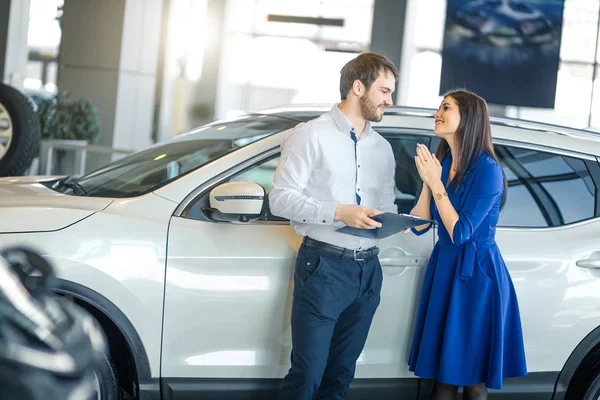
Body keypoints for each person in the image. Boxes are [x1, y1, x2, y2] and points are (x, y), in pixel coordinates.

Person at [269, 52, 399, 399]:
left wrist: (395, 220)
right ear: (358, 87)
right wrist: (339, 212)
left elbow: (385, 204)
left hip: (368, 270)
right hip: (323, 267)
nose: (390, 100)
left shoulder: (383, 148)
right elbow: (280, 199)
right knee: (307, 374)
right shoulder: (310, 135)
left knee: (340, 376)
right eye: (384, 91)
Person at [407, 89, 527, 399]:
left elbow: (461, 232)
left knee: (472, 379)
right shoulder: (443, 163)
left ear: (468, 118)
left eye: (446, 107)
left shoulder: (488, 171)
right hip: (445, 268)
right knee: (442, 377)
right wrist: (428, 181)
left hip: (477, 278)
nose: (438, 112)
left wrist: (436, 184)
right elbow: (420, 225)